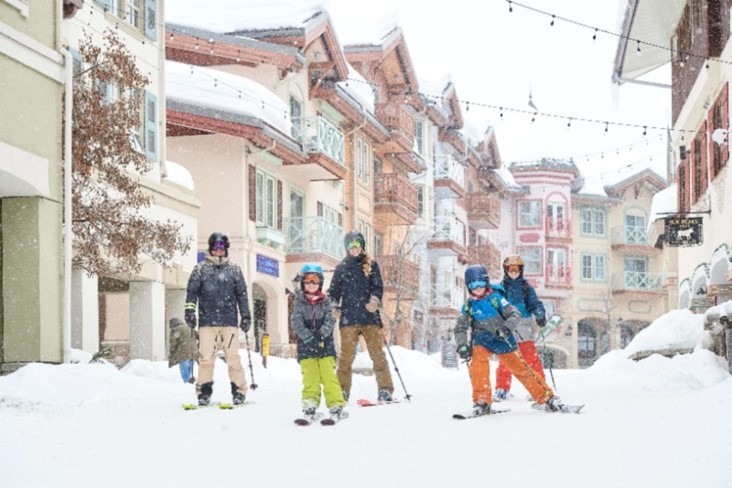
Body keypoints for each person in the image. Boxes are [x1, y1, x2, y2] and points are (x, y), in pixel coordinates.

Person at [454, 265, 564, 415]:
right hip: (482, 340)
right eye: (473, 284)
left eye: (481, 283)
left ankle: (547, 398)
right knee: (478, 366)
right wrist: (462, 345)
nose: (478, 288)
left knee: (521, 369)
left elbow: (515, 314)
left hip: (502, 339)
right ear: (468, 286)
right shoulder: (468, 306)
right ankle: (482, 401)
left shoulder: (496, 298)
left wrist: (506, 328)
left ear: (486, 283)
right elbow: (460, 328)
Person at [184, 232, 251, 406]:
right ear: (210, 249)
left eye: (221, 248)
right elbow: (192, 293)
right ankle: (204, 391)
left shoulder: (234, 270)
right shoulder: (200, 269)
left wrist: (245, 316)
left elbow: (242, 295)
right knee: (206, 358)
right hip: (207, 321)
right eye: (215, 248)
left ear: (226, 249)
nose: (218, 251)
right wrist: (190, 312)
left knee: (233, 358)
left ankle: (239, 390)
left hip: (229, 321)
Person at [328, 230, 395, 402]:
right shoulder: (341, 268)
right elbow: (333, 292)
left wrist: (374, 301)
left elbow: (377, 287)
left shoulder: (371, 265)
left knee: (377, 355)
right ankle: (342, 391)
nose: (355, 248)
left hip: (369, 318)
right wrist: (334, 306)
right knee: (345, 358)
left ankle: (385, 389)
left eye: (358, 245)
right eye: (351, 245)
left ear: (362, 246)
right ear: (346, 248)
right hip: (349, 318)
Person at [291, 263, 347, 420]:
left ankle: (336, 405)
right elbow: (296, 322)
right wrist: (308, 337)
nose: (311, 284)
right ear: (303, 283)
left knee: (329, 376)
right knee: (311, 378)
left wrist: (322, 334)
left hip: (325, 346)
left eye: (314, 280)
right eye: (308, 280)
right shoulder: (299, 302)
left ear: (320, 283)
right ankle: (310, 405)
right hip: (306, 347)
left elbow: (331, 319)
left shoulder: (326, 301)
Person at [493, 255, 547, 401]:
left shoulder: (526, 288)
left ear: (521, 270)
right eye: (510, 269)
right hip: (507, 326)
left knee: (531, 359)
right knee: (506, 360)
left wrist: (540, 315)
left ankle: (539, 386)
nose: (513, 272)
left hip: (524, 326)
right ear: (506, 270)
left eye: (516, 269)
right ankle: (502, 389)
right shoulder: (501, 288)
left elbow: (535, 304)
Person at [168, 317, 198, 384]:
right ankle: (190, 380)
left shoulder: (175, 330)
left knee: (184, 368)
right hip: (193, 352)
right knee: (190, 366)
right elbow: (199, 336)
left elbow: (173, 343)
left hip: (183, 352)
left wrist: (172, 351)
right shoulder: (190, 328)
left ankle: (187, 382)